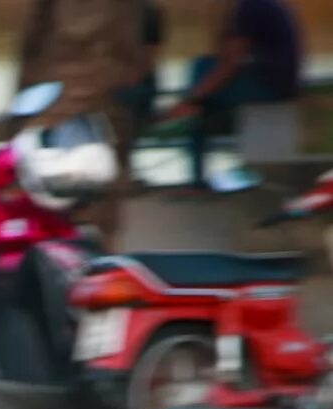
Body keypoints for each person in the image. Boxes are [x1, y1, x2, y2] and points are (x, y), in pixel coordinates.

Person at [16, 0, 146, 246]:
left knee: (78, 216)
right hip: (75, 109)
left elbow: (80, 41)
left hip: (78, 108)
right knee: (73, 219)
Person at [167, 0, 304, 188]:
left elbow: (229, 63)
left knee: (200, 69)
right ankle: (198, 174)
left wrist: (192, 98)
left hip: (270, 86)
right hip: (282, 83)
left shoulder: (248, 6)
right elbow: (225, 53)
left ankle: (196, 178)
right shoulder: (264, 5)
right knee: (204, 87)